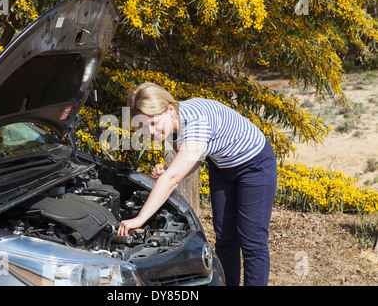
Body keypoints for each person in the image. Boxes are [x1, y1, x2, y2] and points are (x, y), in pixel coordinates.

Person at [117, 82, 277, 286]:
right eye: (144, 125)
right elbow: (189, 162)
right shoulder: (172, 122)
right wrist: (168, 173)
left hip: (255, 166)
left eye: (155, 123)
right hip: (222, 167)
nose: (151, 132)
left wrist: (139, 219)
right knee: (225, 239)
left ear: (171, 109)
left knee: (252, 241)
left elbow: (174, 179)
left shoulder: (196, 123)